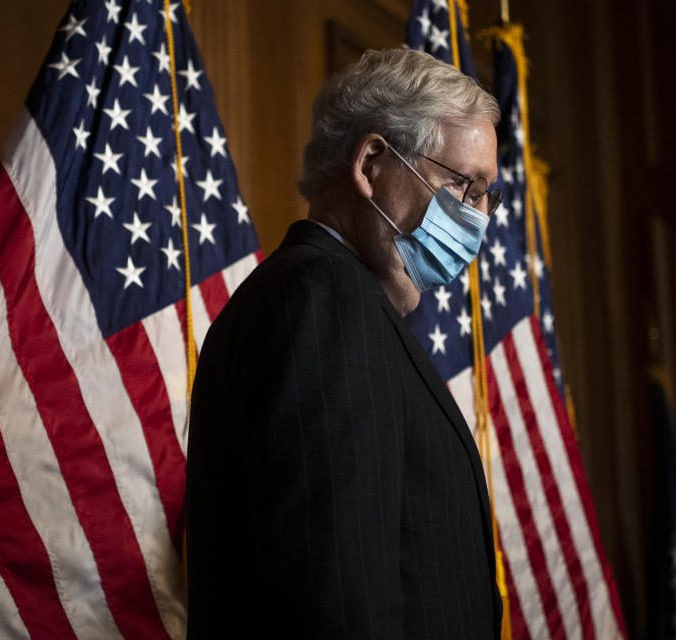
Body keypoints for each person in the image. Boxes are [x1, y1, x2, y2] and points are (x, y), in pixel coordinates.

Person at [186, 48, 503, 639]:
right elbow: (338, 602)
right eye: (464, 186)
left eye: (489, 195)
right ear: (373, 163)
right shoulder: (323, 300)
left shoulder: (325, 299)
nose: (478, 219)